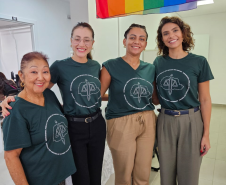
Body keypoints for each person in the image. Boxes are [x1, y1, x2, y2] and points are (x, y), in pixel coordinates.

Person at [1, 22, 106, 185]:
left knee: (96, 174)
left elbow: (92, 96)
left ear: (93, 43)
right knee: (82, 177)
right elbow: (38, 88)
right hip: (75, 126)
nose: (81, 44)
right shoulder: (60, 66)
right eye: (77, 39)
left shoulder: (95, 66)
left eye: (87, 40)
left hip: (97, 122)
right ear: (71, 41)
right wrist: (11, 100)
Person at [154, 16, 214, 185]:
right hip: (165, 120)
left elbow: (205, 99)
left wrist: (206, 134)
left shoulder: (199, 61)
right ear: (162, 39)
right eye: (165, 33)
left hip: (191, 121)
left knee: (189, 174)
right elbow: (155, 97)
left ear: (183, 33)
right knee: (166, 174)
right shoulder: (158, 62)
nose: (171, 35)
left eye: (175, 30)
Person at [2, 52, 76, 185]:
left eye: (45, 72)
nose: (40, 77)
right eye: (34, 72)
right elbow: (11, 157)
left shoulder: (49, 95)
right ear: (21, 76)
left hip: (61, 175)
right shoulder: (16, 110)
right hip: (41, 179)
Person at [100, 23, 159, 185]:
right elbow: (97, 95)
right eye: (132, 37)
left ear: (145, 44)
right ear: (124, 41)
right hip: (120, 121)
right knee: (124, 174)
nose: (136, 41)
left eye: (142, 39)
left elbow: (154, 99)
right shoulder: (110, 66)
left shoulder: (151, 69)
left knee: (143, 172)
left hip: (147, 120)